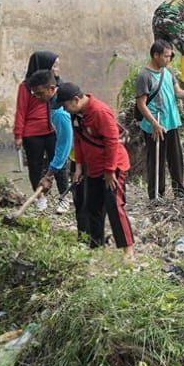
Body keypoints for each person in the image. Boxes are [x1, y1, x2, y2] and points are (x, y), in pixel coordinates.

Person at [58, 82, 133, 255]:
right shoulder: (76, 115)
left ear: (76, 100)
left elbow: (112, 142)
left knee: (114, 205)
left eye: (65, 105)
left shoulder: (100, 111)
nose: (64, 109)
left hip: (113, 167)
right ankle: (96, 247)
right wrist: (78, 167)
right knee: (93, 207)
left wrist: (109, 170)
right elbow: (79, 140)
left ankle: (128, 251)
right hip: (93, 168)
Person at [136, 41, 184, 201]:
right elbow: (141, 104)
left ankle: (179, 188)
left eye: (170, 56)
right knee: (156, 160)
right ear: (156, 55)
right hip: (156, 124)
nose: (168, 59)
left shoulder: (168, 72)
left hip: (171, 122)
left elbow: (177, 92)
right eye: (166, 56)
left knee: (175, 158)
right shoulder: (145, 76)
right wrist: (154, 124)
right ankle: (157, 194)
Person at [15, 52, 62, 209]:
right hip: (32, 133)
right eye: (54, 65)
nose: (57, 68)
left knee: (59, 164)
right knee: (35, 166)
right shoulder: (26, 87)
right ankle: (40, 198)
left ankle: (64, 197)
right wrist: (18, 135)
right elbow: (21, 111)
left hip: (52, 130)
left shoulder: (56, 84)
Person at [27, 70, 74, 215]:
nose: (37, 97)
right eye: (34, 94)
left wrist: (49, 174)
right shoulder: (54, 100)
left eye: (40, 93)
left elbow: (64, 146)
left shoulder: (60, 112)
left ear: (52, 89)